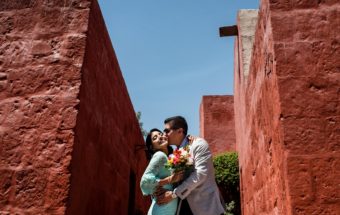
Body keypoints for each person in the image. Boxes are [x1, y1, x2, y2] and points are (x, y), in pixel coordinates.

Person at [156, 116, 225, 215]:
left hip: (205, 207)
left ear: (180, 131)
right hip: (182, 207)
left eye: (167, 131)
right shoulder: (175, 152)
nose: (164, 135)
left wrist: (174, 194)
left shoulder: (198, 145)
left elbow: (200, 174)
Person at [140, 128, 184, 215]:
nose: (159, 137)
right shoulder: (160, 155)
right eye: (155, 138)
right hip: (161, 209)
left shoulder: (170, 158)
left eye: (160, 134)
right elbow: (144, 181)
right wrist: (169, 180)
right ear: (152, 147)